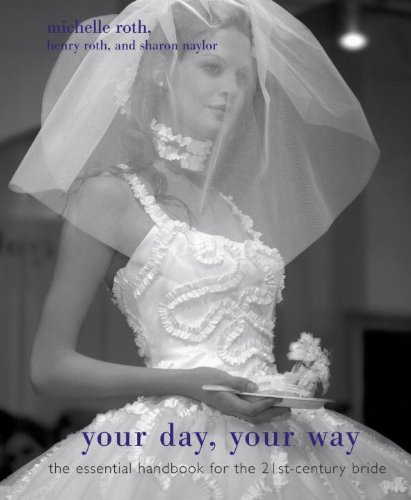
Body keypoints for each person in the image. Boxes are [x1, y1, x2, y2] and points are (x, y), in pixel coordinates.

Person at [1, 0, 410, 498]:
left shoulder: (231, 208)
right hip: (175, 450)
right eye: (212, 68)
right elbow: (48, 367)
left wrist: (277, 386)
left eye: (243, 76)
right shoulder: (109, 195)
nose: (231, 90)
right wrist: (187, 382)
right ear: (161, 72)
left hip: (276, 444)